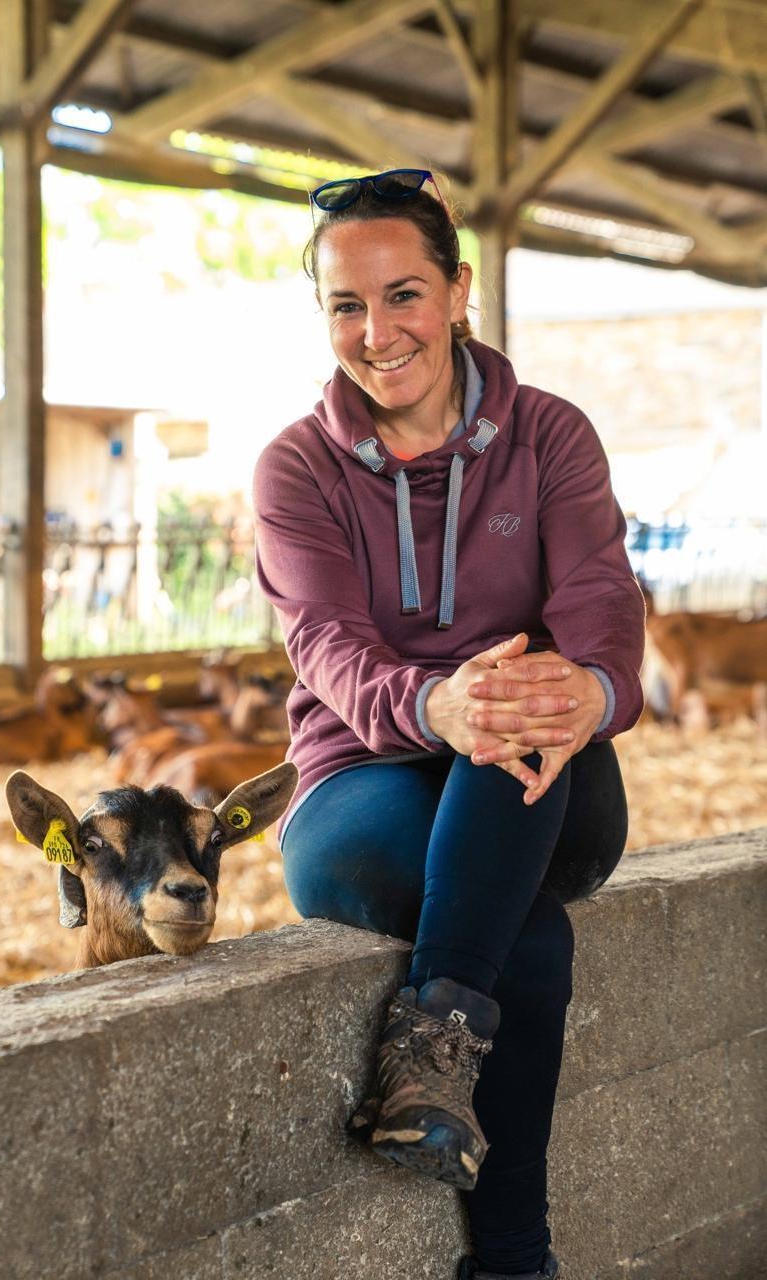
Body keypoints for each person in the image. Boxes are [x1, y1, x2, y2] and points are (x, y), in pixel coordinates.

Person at [251, 168, 645, 1280]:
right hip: (359, 775)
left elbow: (600, 605)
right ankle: (513, 1252)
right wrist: (431, 701)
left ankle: (426, 1040)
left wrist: (588, 689)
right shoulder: (296, 465)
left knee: (518, 701)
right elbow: (324, 646)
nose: (375, 332)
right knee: (527, 931)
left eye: (404, 294)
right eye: (344, 304)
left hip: (543, 765)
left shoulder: (548, 434)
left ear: (459, 290)